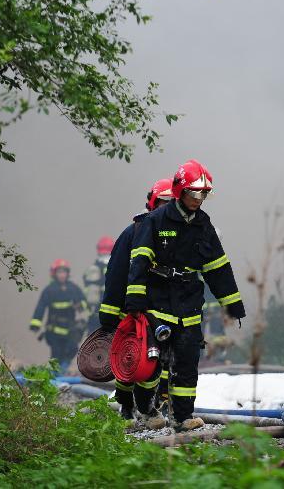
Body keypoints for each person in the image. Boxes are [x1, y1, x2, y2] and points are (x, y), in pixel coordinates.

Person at [125, 159, 246, 432]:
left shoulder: (204, 224)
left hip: (190, 302)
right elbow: (139, 261)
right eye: (194, 193)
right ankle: (145, 408)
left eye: (203, 194)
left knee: (188, 361)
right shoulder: (155, 221)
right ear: (180, 191)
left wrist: (233, 304)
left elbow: (218, 267)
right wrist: (135, 301)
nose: (198, 199)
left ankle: (182, 417)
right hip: (158, 301)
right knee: (151, 362)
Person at [98, 178, 173, 426]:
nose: (167, 208)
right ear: (153, 203)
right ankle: (130, 407)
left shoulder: (175, 236)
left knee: (156, 360)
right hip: (131, 311)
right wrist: (109, 314)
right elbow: (117, 273)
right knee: (130, 359)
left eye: (172, 203)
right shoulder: (133, 232)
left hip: (162, 311)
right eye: (163, 202)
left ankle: (144, 405)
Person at [30, 259, 87, 374]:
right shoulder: (49, 290)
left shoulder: (73, 288)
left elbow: (84, 302)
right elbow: (41, 307)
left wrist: (80, 305)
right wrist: (36, 323)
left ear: (68, 273)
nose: (62, 275)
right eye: (59, 272)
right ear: (54, 274)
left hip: (70, 328)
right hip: (54, 329)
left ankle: (62, 370)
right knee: (56, 355)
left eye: (64, 272)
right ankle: (55, 375)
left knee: (72, 349)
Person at [82, 236, 114, 334]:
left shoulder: (91, 269)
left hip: (94, 313)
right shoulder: (116, 267)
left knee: (93, 340)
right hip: (112, 312)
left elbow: (86, 290)